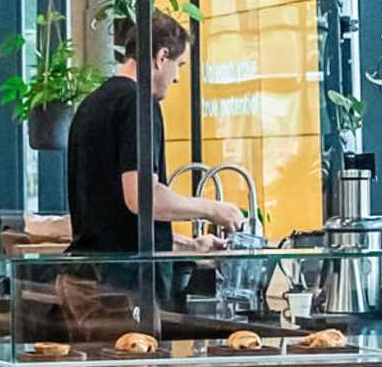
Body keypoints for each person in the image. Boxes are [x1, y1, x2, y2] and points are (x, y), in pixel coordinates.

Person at [65, 13, 248, 256]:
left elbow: (111, 219)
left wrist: (190, 245)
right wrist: (213, 209)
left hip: (91, 273)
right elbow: (142, 197)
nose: (177, 78)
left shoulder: (91, 104)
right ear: (162, 56)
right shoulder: (139, 103)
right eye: (179, 65)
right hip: (126, 286)